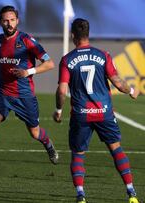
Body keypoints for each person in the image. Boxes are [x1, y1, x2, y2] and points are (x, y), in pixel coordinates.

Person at [0, 5, 58, 185]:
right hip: (3, 93)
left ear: (17, 21)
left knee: (35, 132)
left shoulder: (27, 41)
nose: (9, 23)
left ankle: (48, 144)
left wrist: (28, 72)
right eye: (6, 20)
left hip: (24, 96)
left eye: (12, 20)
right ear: (0, 22)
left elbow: (50, 63)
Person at [53, 18, 140, 203]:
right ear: (88, 34)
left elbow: (62, 90)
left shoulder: (67, 60)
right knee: (116, 149)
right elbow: (118, 83)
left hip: (81, 115)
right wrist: (132, 91)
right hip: (104, 113)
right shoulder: (103, 55)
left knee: (78, 154)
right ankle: (131, 193)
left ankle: (81, 195)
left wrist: (58, 110)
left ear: (72, 35)